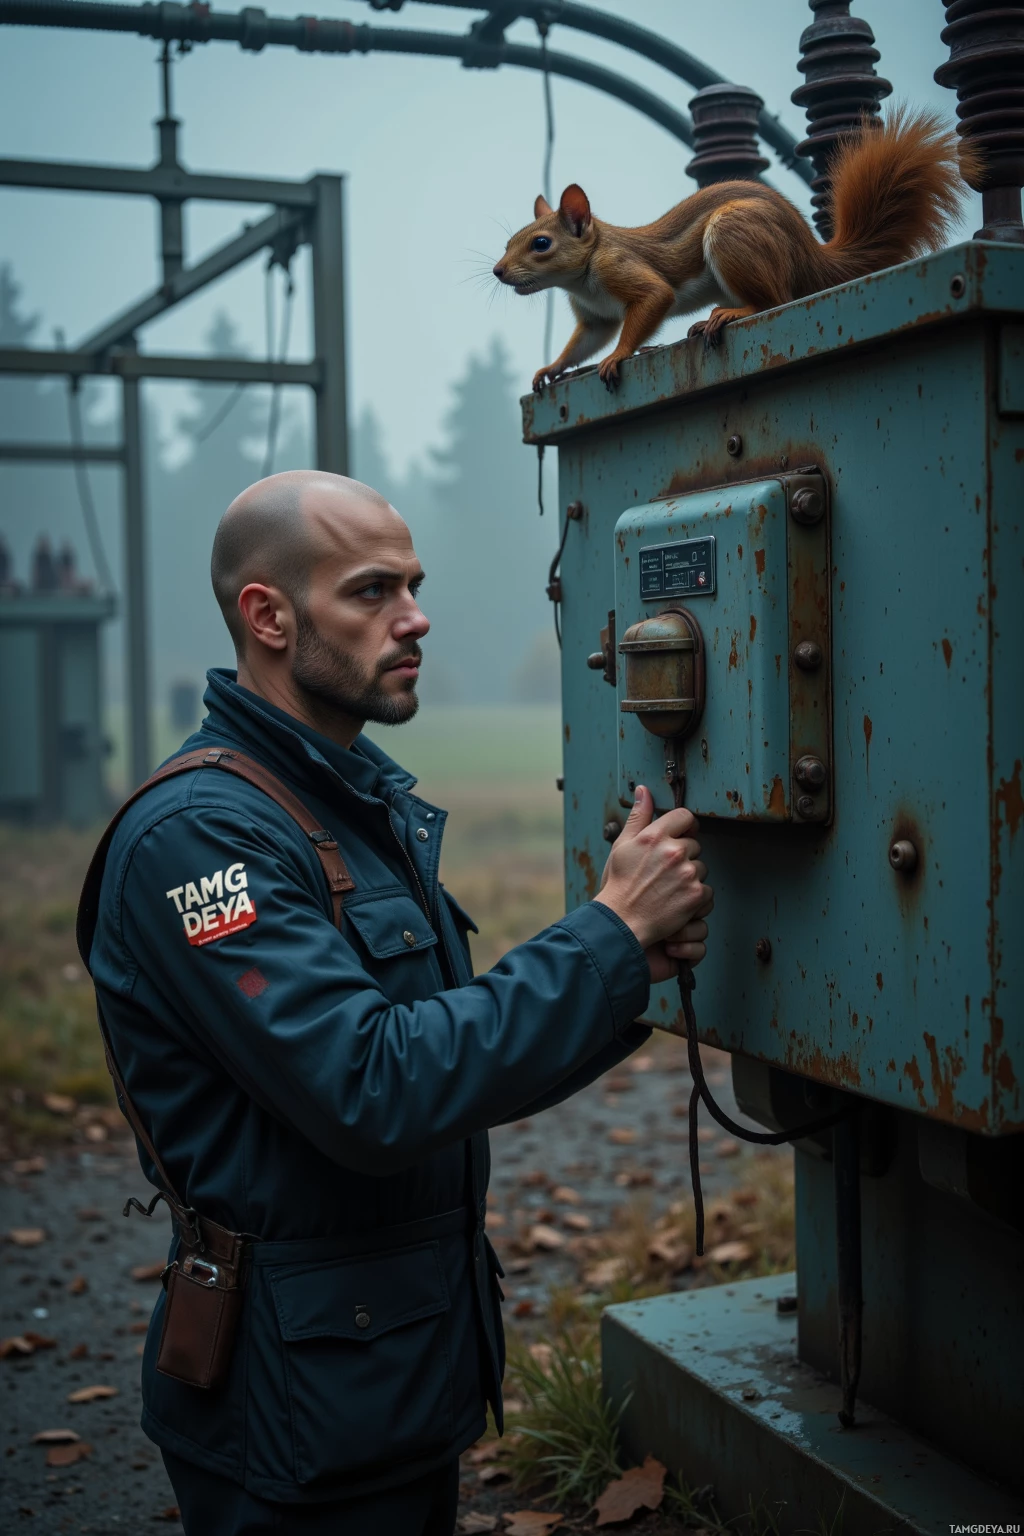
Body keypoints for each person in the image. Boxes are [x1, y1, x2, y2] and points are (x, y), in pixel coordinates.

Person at [82, 470, 712, 1535]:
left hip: (387, 1376)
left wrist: (628, 972)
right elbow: (376, 1087)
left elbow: (444, 1065)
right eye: (371, 592)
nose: (415, 617)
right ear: (268, 616)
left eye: (413, 585)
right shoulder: (201, 838)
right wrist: (605, 936)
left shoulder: (345, 801)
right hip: (295, 1406)